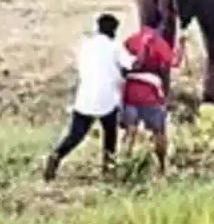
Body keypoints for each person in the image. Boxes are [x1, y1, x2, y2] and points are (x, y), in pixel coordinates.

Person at [44, 13, 135, 181]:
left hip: (85, 97)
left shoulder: (86, 46)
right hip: (107, 99)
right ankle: (108, 168)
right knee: (110, 134)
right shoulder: (114, 47)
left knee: (75, 135)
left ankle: (56, 156)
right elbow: (130, 65)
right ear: (114, 30)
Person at [120, 23, 180, 177]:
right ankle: (162, 167)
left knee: (130, 132)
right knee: (159, 132)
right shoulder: (160, 43)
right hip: (150, 94)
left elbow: (123, 63)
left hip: (130, 93)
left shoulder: (131, 40)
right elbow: (172, 64)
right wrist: (182, 46)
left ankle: (123, 167)